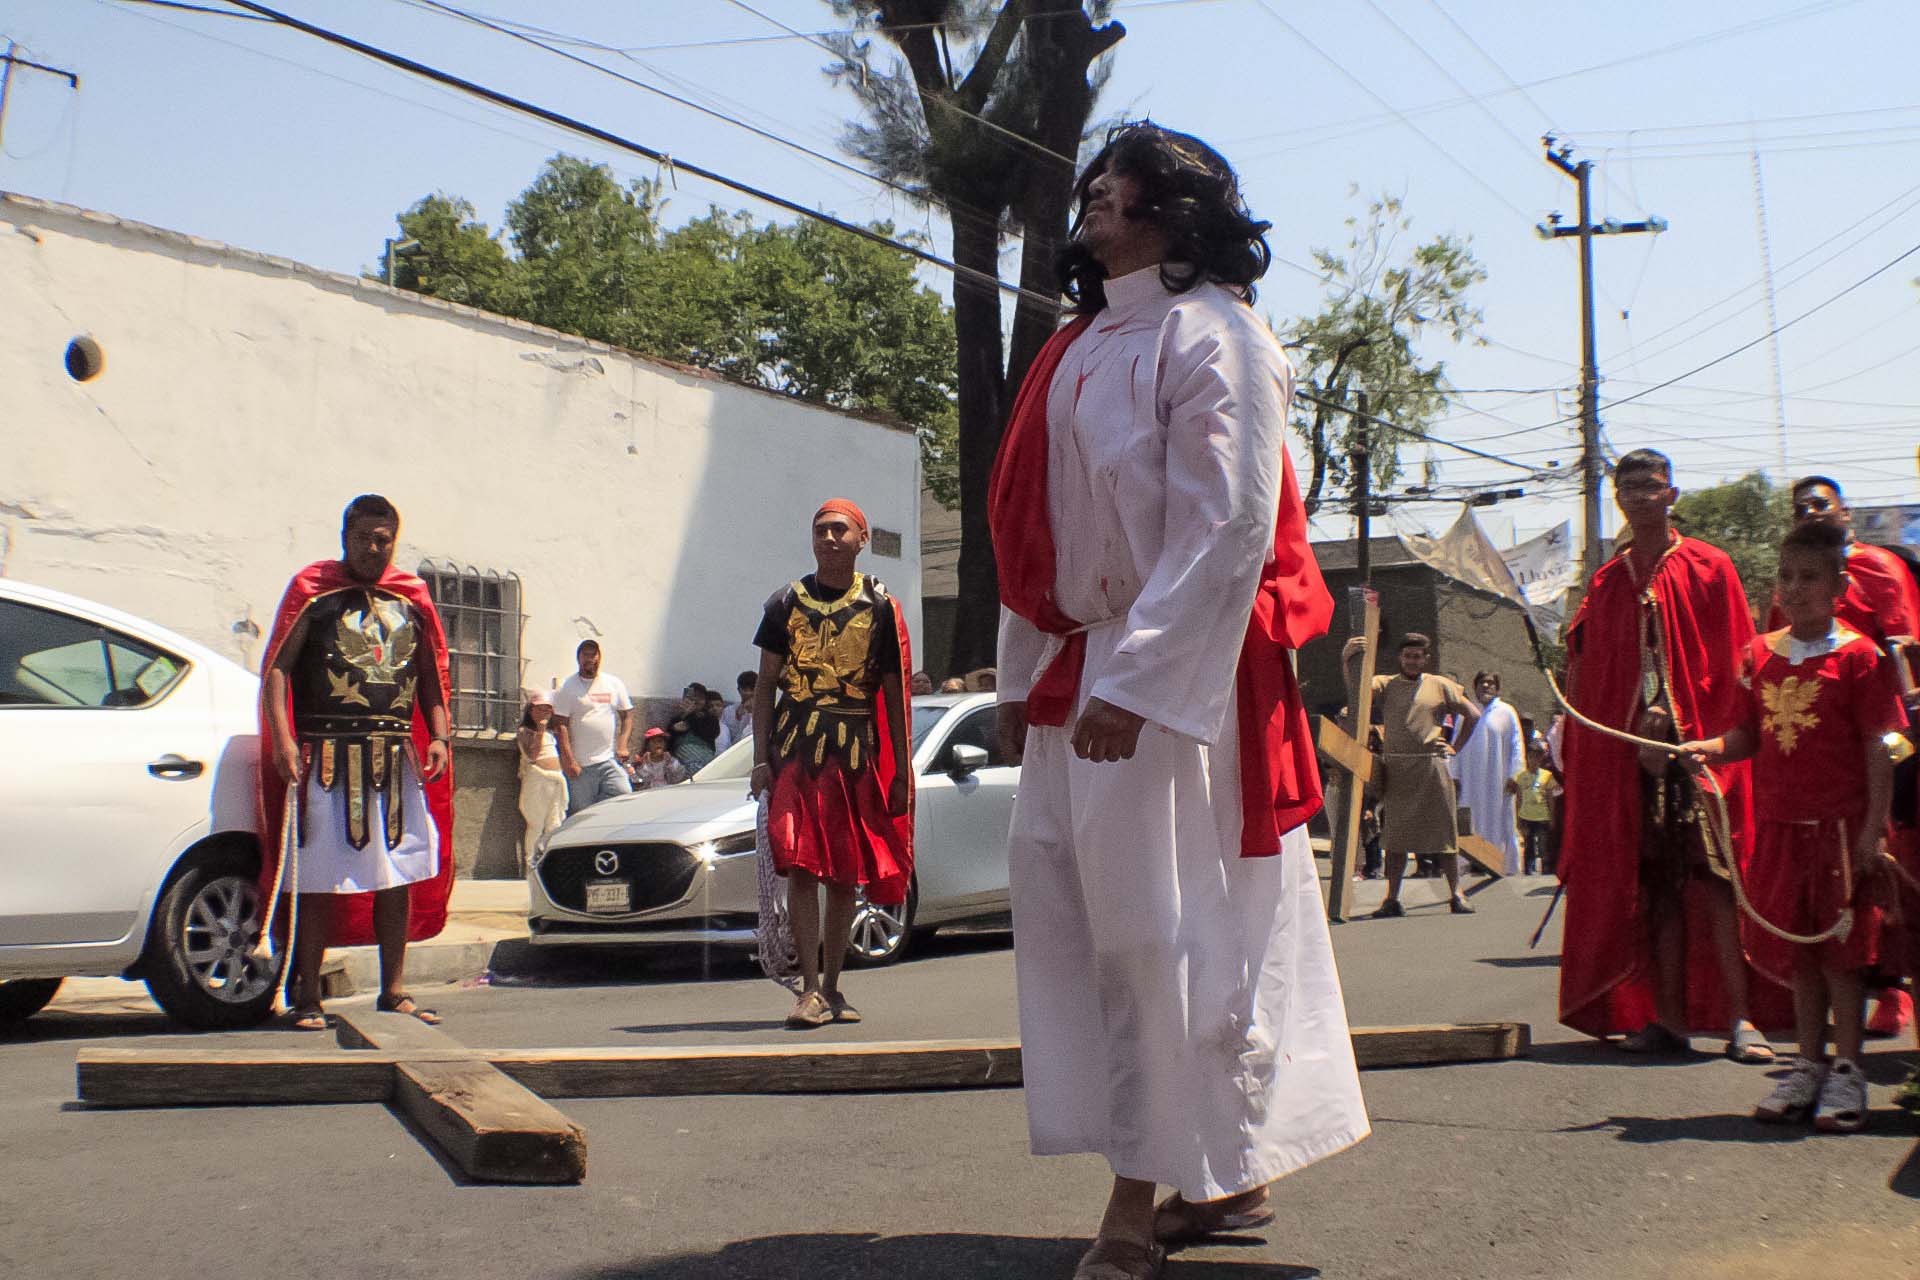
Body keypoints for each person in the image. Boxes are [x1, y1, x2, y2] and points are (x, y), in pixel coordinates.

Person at [991, 123, 1367, 1280]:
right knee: (1084, 922)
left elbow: (1230, 526)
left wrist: (1140, 682)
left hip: (1174, 681)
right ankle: (1227, 1171)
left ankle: (1133, 1200)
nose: (1094, 199)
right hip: (1081, 670)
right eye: (1094, 186)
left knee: (1157, 938)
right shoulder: (1079, 343)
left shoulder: (1223, 334)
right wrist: (1022, 675)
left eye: (1117, 186)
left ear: (1170, 206)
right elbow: (1033, 530)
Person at [1558, 449, 1781, 1062]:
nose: (1638, 497)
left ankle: (1742, 1019)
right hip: (1634, 763)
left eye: (1650, 486)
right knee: (1653, 887)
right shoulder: (1606, 581)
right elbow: (1596, 679)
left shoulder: (1711, 567)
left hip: (1701, 753)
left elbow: (1735, 664)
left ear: (1672, 494)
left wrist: (1686, 730)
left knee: (1716, 883)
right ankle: (1669, 1019)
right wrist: (1632, 731)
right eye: (1627, 487)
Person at [1680, 521, 1903, 1131]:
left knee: (1841, 956)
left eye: (1810, 578)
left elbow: (1878, 746)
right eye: (1787, 577)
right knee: (1803, 954)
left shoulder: (1858, 656)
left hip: (1840, 830)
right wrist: (1708, 746)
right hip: (1781, 828)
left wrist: (1872, 830)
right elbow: (1746, 735)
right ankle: (1808, 1065)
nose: (1796, 589)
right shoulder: (1758, 656)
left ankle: (1848, 1072)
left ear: (1839, 585)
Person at [258, 494, 454, 1030]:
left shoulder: (411, 598)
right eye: (364, 538)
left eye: (383, 539)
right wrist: (281, 739)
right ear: (345, 537)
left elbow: (430, 675)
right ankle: (307, 998)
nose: (373, 548)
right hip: (325, 757)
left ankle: (393, 991)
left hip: (395, 759)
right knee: (319, 880)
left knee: (396, 877)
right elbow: (277, 670)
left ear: (395, 539)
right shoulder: (313, 592)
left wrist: (438, 735)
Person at [749, 498, 913, 1030]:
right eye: (821, 530)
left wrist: (899, 772)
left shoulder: (880, 606)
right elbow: (767, 685)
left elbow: (893, 691)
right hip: (796, 752)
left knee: (844, 874)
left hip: (854, 752)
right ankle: (809, 990)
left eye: (840, 530)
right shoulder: (784, 603)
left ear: (862, 539)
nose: (829, 538)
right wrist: (759, 760)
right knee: (801, 867)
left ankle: (835, 987)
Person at [1768, 475, 1920, 1041]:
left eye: (1819, 503)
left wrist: (1898, 744)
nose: (1809, 510)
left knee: (1887, 853)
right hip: (1815, 727)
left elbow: (1903, 647)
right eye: (1800, 506)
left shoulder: (1874, 565)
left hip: (1885, 719)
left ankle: (1894, 988)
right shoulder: (1793, 579)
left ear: (1844, 511)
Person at [1369, 634, 1481, 917]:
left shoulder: (1440, 684)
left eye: (1418, 656)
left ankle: (1456, 894)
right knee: (1395, 839)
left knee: (1445, 835)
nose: (1412, 661)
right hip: (1397, 770)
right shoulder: (1386, 684)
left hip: (1431, 766)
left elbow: (1474, 714)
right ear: (1400, 657)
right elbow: (1357, 688)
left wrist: (1455, 747)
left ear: (1425, 659)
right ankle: (1391, 899)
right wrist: (1349, 658)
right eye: (1408, 656)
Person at [1451, 670, 1525, 876]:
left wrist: (1515, 775)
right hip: (1470, 781)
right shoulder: (1466, 712)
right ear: (1474, 687)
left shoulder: (1507, 712)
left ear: (1497, 688)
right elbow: (1455, 744)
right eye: (1482, 683)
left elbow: (1517, 745)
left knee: (1501, 820)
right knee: (1470, 820)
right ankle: (1469, 862)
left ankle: (1503, 863)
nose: (1486, 686)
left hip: (1498, 781)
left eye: (1490, 683)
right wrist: (1454, 774)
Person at [552, 640, 634, 815]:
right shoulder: (568, 687)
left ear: (599, 657)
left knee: (624, 794)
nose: (590, 659)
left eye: (593, 654)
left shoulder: (613, 683)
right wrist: (569, 761)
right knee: (581, 813)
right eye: (586, 655)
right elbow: (561, 726)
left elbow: (627, 715)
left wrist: (622, 745)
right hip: (580, 766)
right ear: (578, 658)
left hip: (607, 760)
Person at [515, 691, 567, 874]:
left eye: (548, 708)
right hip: (538, 780)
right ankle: (531, 864)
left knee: (554, 824)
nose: (544, 711)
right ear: (531, 711)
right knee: (536, 823)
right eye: (540, 708)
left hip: (555, 782)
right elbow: (533, 755)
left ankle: (551, 864)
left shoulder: (552, 734)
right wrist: (540, 730)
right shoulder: (525, 732)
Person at [1513, 742, 1559, 876]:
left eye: (1537, 757)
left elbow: (1551, 798)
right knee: (1529, 845)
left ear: (1541, 759)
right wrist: (1518, 819)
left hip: (1542, 817)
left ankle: (1545, 869)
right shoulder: (1521, 777)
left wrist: (1552, 817)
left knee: (1543, 844)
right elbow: (1519, 799)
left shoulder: (1547, 776)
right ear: (1527, 758)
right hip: (1527, 817)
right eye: (1531, 757)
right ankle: (1528, 869)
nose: (1534, 761)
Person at [668, 683, 721, 772]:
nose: (696, 701)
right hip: (683, 761)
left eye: (700, 698)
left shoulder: (709, 718)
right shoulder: (678, 718)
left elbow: (711, 732)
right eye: (693, 697)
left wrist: (690, 718)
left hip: (703, 758)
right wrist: (684, 715)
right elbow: (670, 737)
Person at [720, 670, 757, 745]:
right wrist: (738, 717)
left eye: (752, 689)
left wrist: (753, 712)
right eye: (745, 690)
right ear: (739, 690)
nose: (749, 693)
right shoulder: (728, 711)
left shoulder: (765, 713)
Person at [707, 689, 736, 753]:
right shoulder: (702, 727)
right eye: (710, 706)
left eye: (718, 705)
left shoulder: (725, 728)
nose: (715, 708)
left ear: (723, 706)